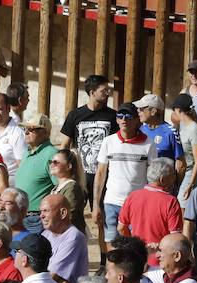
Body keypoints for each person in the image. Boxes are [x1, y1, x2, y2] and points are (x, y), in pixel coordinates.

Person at [92, 104, 151, 248]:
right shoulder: (108, 141)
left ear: (137, 120)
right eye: (120, 116)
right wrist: (95, 204)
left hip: (137, 204)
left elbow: (151, 176)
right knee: (111, 244)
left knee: (134, 246)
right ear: (117, 120)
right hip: (111, 202)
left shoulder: (148, 144)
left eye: (128, 116)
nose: (124, 119)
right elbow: (100, 173)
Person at [58, 74, 115, 205]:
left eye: (108, 89)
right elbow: (64, 145)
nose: (108, 93)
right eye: (104, 90)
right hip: (80, 175)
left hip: (104, 175)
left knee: (102, 216)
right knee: (74, 214)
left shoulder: (113, 116)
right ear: (92, 92)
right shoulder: (75, 115)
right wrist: (64, 171)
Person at [116, 157, 181, 263]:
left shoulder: (133, 196)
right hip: (161, 261)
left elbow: (121, 228)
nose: (174, 178)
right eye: (173, 175)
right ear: (162, 179)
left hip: (138, 260)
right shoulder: (171, 201)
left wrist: (135, 246)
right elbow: (175, 238)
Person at [39, 191, 89, 283]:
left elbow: (52, 275)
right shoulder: (46, 234)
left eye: (46, 211)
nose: (41, 216)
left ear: (63, 213)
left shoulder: (74, 237)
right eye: (41, 212)